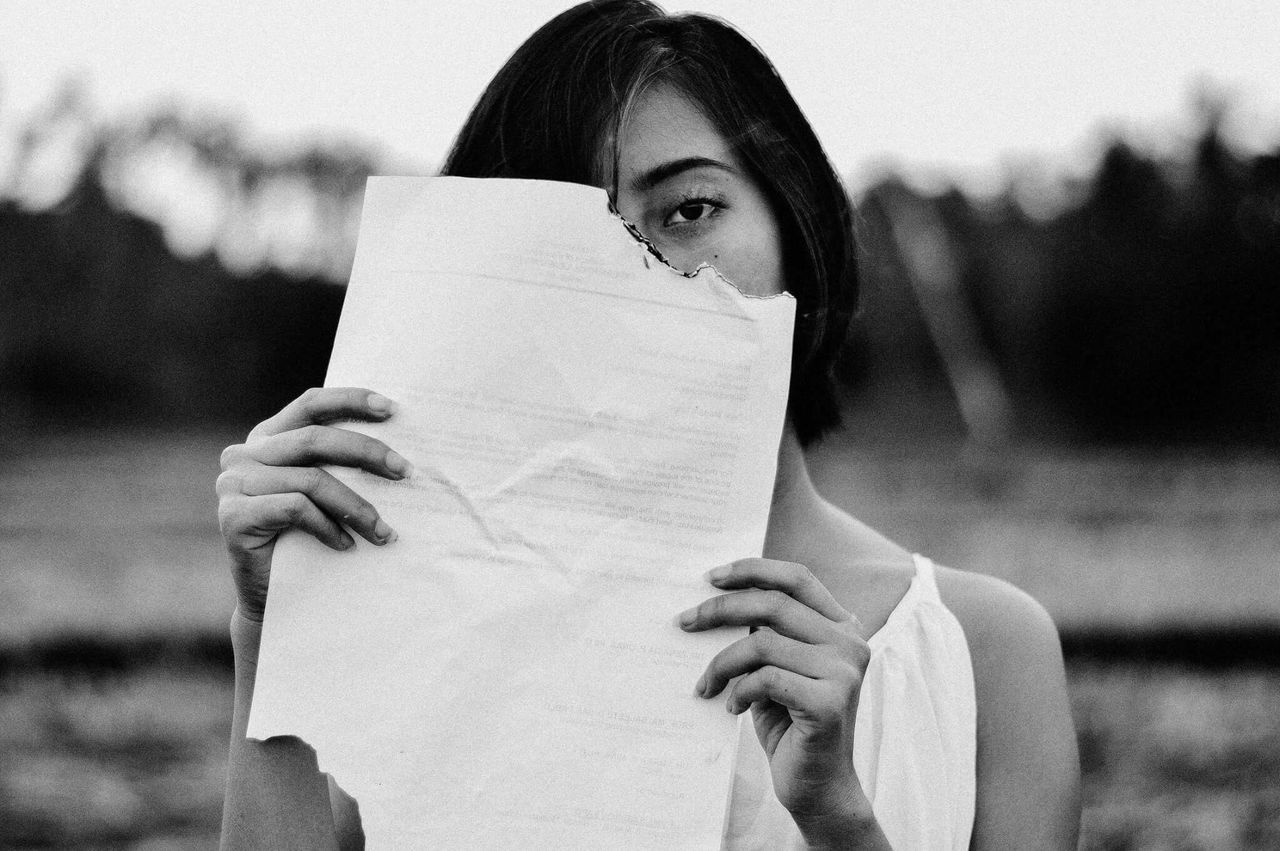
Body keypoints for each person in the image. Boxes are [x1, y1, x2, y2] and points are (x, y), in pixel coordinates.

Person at [217, 1, 1081, 848]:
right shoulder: (424, 648)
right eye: (566, 233)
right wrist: (274, 631)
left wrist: (838, 816)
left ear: (796, 222)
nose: (629, 271)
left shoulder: (986, 653)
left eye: (688, 210)